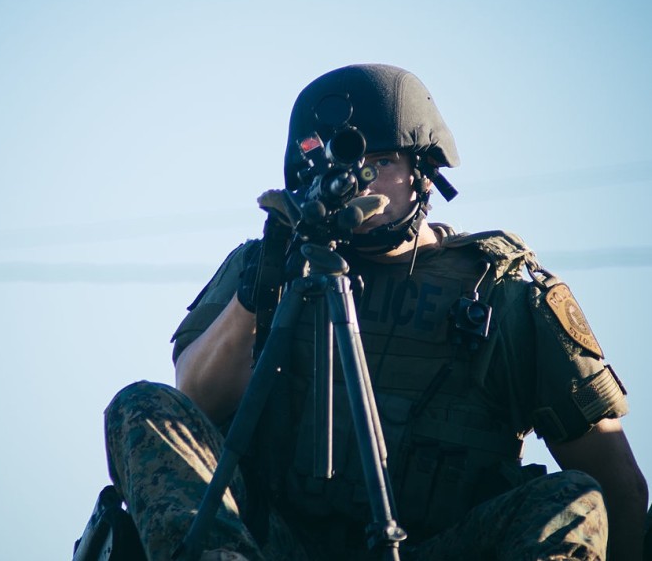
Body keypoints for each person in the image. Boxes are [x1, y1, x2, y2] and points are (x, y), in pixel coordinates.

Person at [104, 64, 648, 560]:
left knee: (574, 499)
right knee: (140, 405)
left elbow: (615, 482)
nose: (355, 177)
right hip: (272, 542)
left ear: (424, 171)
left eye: (379, 160)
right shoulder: (268, 264)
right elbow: (192, 398)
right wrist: (261, 288)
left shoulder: (500, 289)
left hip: (435, 547)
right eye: (335, 161)